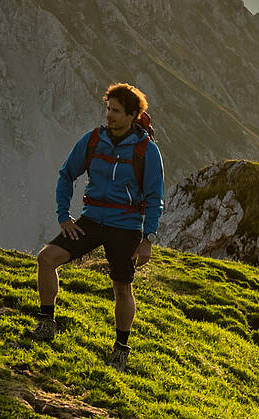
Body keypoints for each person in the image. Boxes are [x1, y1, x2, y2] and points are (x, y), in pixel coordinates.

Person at [29, 83, 164, 372]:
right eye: (108, 109)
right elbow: (66, 174)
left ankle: (121, 349)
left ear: (132, 115)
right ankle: (46, 323)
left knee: (122, 288)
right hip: (90, 221)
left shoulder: (146, 151)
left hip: (126, 227)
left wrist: (148, 239)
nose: (109, 115)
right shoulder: (92, 140)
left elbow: (154, 197)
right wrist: (64, 216)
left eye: (116, 111)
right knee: (46, 258)